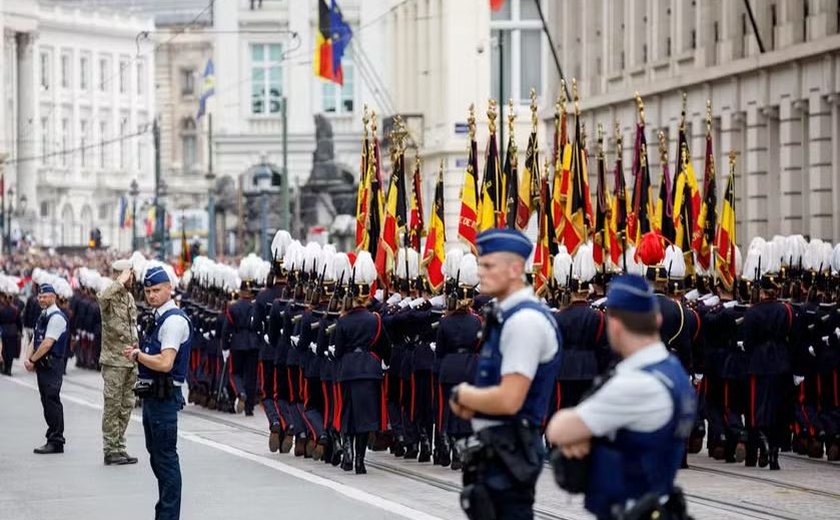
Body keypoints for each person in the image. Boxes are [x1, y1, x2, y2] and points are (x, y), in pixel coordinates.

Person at [546, 274, 696, 520]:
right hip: (657, 502)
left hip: (632, 508)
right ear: (656, 319)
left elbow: (558, 430)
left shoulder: (636, 383)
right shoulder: (672, 370)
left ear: (614, 325)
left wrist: (585, 435)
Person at [449, 228, 562, 520]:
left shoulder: (524, 321)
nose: (479, 272)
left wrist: (464, 395)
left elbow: (510, 399)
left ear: (514, 269)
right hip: (497, 448)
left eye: (488, 265)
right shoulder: (505, 315)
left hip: (510, 448)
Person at [123, 265, 192, 520]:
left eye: (156, 290)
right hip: (153, 396)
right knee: (157, 457)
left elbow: (165, 363)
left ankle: (168, 515)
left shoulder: (173, 320)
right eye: (148, 291)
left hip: (165, 398)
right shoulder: (157, 317)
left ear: (169, 289)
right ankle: (164, 512)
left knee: (165, 459)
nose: (151, 295)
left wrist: (139, 355)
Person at [97, 260, 139, 465]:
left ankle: (119, 446)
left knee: (126, 406)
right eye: (129, 274)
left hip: (130, 361)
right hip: (114, 361)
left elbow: (132, 328)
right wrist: (120, 281)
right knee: (112, 407)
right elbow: (102, 297)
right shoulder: (109, 296)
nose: (132, 278)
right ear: (121, 275)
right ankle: (109, 449)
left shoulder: (130, 297)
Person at [24, 282, 70, 454]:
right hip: (42, 365)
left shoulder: (56, 317)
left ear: (54, 297)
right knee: (46, 400)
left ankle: (57, 440)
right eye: (40, 296)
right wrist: (29, 359)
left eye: (45, 296)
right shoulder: (42, 315)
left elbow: (46, 344)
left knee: (52, 400)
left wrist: (33, 360)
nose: (41, 299)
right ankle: (52, 435)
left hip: (52, 364)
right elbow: (35, 338)